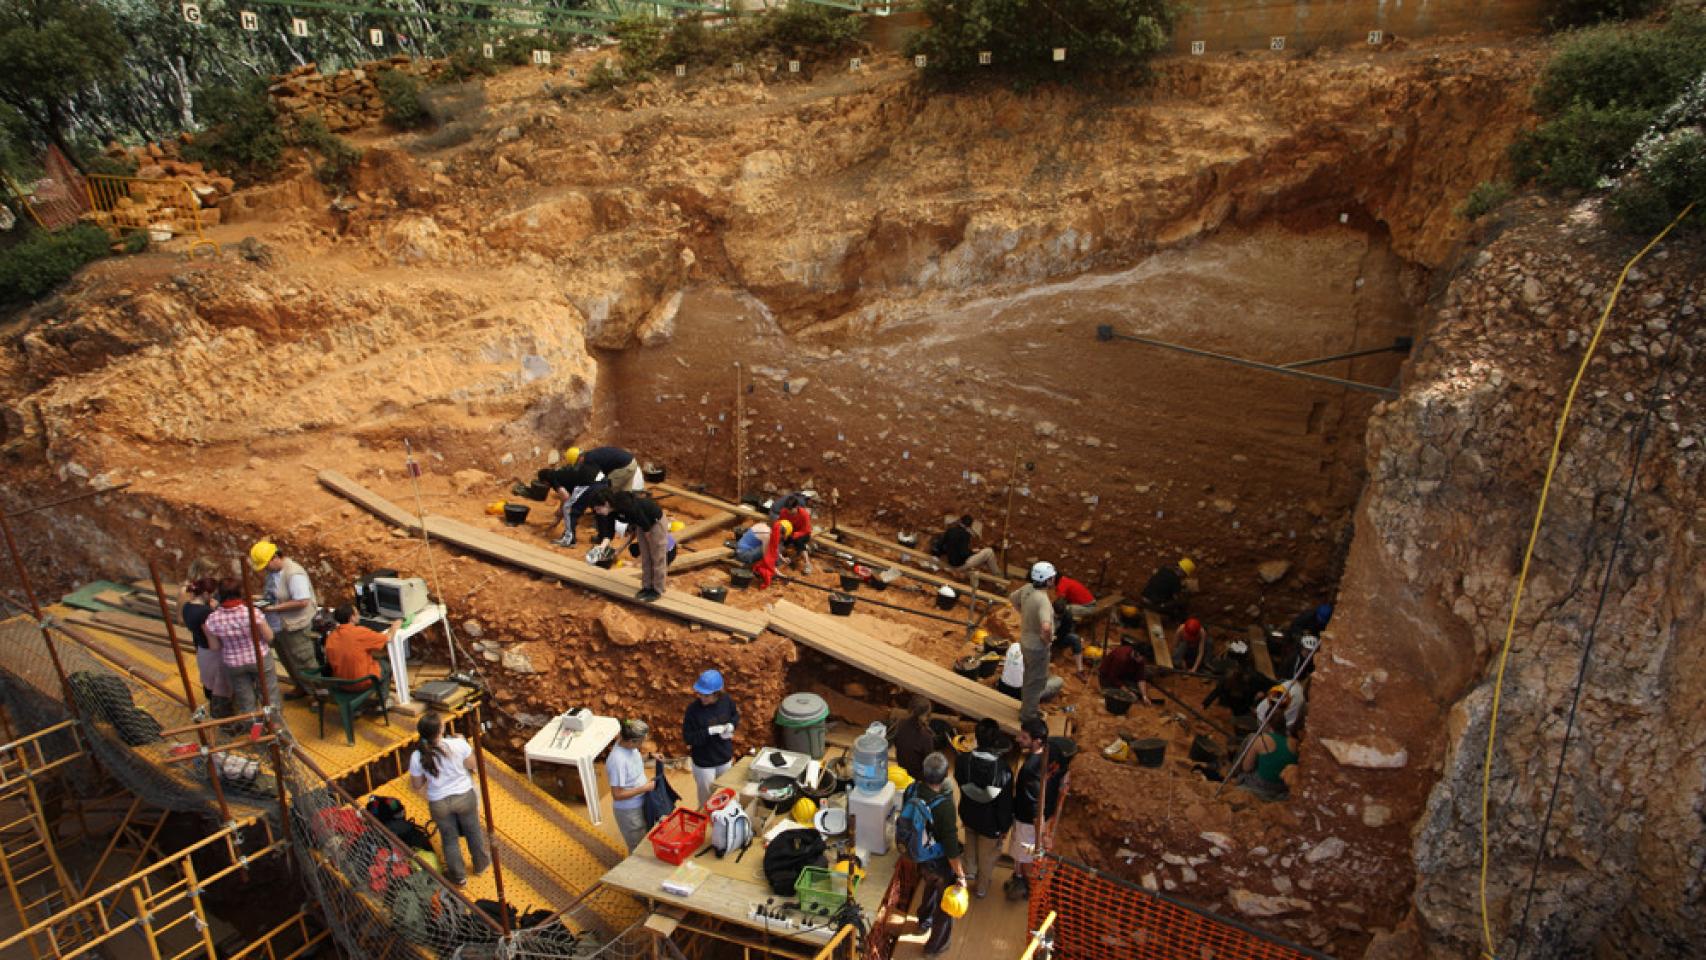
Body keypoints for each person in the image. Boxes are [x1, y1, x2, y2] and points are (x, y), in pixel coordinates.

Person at [408, 712, 491, 885]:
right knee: (473, 831)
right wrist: (464, 743)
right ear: (441, 730)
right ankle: (480, 865)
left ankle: (459, 877)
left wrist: (429, 773)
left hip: (439, 802)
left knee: (449, 839)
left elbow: (416, 785)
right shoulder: (457, 744)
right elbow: (473, 765)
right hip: (464, 796)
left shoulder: (417, 756)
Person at [903, 752, 966, 956]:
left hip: (919, 855)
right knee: (945, 905)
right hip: (939, 861)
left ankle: (924, 922)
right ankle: (935, 946)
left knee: (929, 884)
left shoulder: (912, 790)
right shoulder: (944, 807)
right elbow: (950, 846)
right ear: (946, 775)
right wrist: (960, 875)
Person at [1007, 719, 1074, 901]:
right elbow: (1063, 773)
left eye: (1024, 737)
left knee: (1026, 854)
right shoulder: (1054, 748)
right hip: (1047, 812)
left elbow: (1032, 805)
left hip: (1029, 822)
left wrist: (1041, 831)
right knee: (1027, 853)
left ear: (1037, 741)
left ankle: (1027, 885)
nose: (1019, 738)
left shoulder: (1029, 770)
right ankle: (1020, 877)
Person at [202, 578, 278, 723]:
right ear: (239, 593)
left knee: (246, 704)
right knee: (270, 698)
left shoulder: (212, 619)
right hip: (259, 658)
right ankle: (275, 732)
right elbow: (269, 637)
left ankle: (257, 738)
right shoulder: (252, 613)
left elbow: (215, 647)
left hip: (234, 663)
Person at [251, 540, 319, 699]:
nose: (265, 569)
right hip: (279, 626)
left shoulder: (294, 573)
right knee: (288, 659)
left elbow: (302, 601)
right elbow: (272, 596)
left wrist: (273, 608)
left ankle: (317, 695)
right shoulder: (272, 574)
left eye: (266, 565)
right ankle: (301, 686)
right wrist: (258, 599)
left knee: (304, 662)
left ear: (275, 557)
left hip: (295, 626)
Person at [955, 719, 1013, 900]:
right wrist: (1004, 827)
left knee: (970, 845)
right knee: (987, 857)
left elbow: (961, 785)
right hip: (991, 823)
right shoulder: (1003, 770)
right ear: (997, 741)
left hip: (969, 815)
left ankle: (968, 874)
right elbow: (1005, 804)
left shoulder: (963, 761)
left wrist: (963, 812)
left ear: (976, 739)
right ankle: (980, 888)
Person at [589, 489, 670, 602]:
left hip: (654, 522)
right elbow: (609, 533)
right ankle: (647, 587)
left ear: (606, 503)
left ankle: (657, 590)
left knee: (657, 556)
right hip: (641, 525)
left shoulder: (624, 504)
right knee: (646, 556)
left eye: (598, 508)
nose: (597, 512)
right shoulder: (610, 512)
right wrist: (601, 548)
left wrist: (650, 542)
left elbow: (644, 522)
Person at [179, 560, 231, 719]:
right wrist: (214, 613)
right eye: (212, 573)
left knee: (209, 675)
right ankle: (220, 711)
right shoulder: (200, 609)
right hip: (208, 644)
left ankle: (217, 705)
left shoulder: (192, 605)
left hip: (203, 644)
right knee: (217, 679)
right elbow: (213, 642)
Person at [682, 670, 738, 808]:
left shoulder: (726, 701)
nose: (702, 698)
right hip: (704, 763)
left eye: (706, 695)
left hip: (724, 758)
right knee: (706, 799)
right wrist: (708, 731)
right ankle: (706, 820)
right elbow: (688, 738)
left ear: (717, 694)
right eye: (700, 694)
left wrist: (731, 725)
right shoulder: (693, 710)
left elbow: (735, 715)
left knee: (726, 793)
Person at [1009, 562, 1057, 723]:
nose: (1054, 580)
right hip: (1037, 647)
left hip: (1025, 641)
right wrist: (1047, 639)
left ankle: (1026, 707)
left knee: (1029, 675)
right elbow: (1045, 626)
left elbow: (1013, 598)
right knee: (1036, 681)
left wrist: (1025, 614)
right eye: (1052, 578)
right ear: (1047, 580)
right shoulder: (1042, 600)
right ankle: (1028, 716)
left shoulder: (1027, 588)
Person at [606, 719, 656, 852]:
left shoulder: (628, 746)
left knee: (646, 839)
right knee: (638, 848)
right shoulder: (617, 761)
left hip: (641, 802)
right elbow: (617, 795)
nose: (643, 744)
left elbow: (633, 762)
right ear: (631, 741)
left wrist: (651, 757)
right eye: (641, 741)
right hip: (629, 812)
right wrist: (644, 788)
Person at [323, 605, 396, 691]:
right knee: (386, 664)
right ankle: (384, 700)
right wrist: (396, 624)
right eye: (357, 613)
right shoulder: (359, 632)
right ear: (351, 618)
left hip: (341, 683)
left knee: (373, 656)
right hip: (360, 683)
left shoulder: (331, 636)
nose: (359, 615)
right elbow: (388, 637)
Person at [540, 463, 608, 548]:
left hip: (589, 483)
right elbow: (566, 496)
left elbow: (566, 497)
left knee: (571, 510)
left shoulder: (552, 478)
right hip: (602, 481)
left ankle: (569, 540)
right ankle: (602, 538)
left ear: (545, 481)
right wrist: (557, 519)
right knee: (599, 509)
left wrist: (561, 511)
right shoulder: (562, 473)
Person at [1236, 713, 1297, 801]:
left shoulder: (1262, 740)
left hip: (1262, 786)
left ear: (1268, 725)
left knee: (1251, 738)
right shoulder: (1294, 742)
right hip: (1282, 787)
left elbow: (1247, 767)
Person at [932, 514, 1003, 581]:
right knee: (989, 552)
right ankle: (999, 578)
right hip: (959, 566)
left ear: (960, 521)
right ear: (970, 526)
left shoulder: (950, 530)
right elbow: (964, 554)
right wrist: (973, 552)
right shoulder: (966, 535)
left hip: (949, 563)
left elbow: (939, 546)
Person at [1050, 572, 1096, 675]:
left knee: (1075, 639)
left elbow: (1069, 629)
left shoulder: (1067, 616)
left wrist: (1076, 637)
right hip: (1046, 639)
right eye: (1056, 615)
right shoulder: (1046, 614)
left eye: (1059, 616)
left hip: (1058, 638)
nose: (1057, 617)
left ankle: (1080, 670)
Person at [1097, 638, 1160, 704]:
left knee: (1138, 692)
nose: (1144, 661)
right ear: (1137, 653)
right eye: (1143, 658)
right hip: (1107, 677)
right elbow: (1113, 678)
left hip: (1124, 675)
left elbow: (1140, 677)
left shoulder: (1139, 659)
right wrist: (1128, 692)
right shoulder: (1121, 658)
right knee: (1120, 697)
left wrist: (1144, 696)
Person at [1202, 652, 1264, 719]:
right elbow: (1216, 691)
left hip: (1243, 706)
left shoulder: (1252, 680)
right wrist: (1205, 704)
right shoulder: (1229, 679)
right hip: (1231, 704)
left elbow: (1261, 688)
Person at [891, 695, 935, 781]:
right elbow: (929, 761)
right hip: (916, 775)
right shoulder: (926, 736)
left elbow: (896, 743)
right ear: (925, 714)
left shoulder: (900, 723)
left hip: (901, 766)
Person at [566, 445, 640, 493]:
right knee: (625, 493)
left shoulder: (589, 461)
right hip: (632, 462)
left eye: (577, 463)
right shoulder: (591, 455)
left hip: (623, 468)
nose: (579, 465)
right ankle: (629, 513)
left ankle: (610, 514)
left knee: (607, 492)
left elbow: (598, 479)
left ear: (579, 458)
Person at [751, 519, 792, 588]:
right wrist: (782, 575)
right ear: (782, 533)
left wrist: (782, 558)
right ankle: (758, 572)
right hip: (746, 554)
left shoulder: (772, 531)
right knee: (766, 566)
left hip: (751, 550)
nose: (782, 538)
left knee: (777, 551)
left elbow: (774, 549)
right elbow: (768, 561)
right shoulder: (768, 537)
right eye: (783, 536)